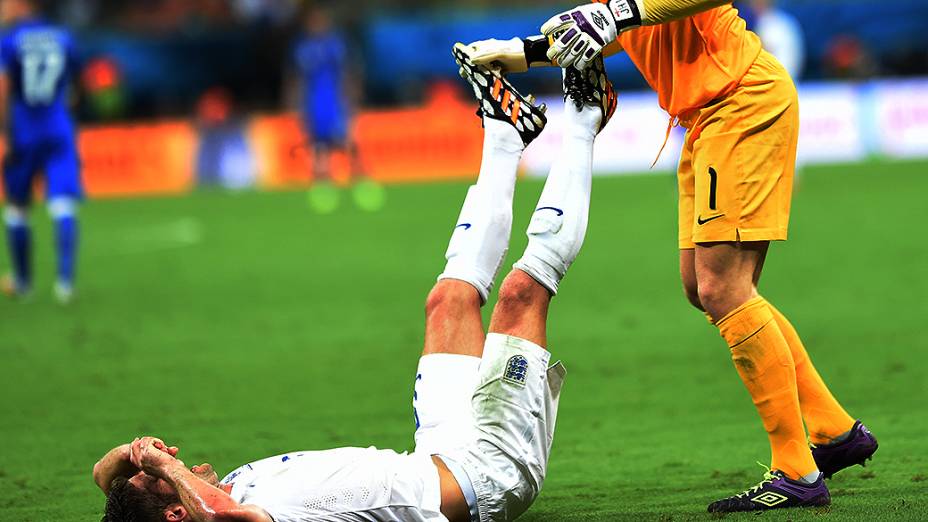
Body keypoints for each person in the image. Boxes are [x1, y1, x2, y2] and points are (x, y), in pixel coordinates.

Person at [92, 49, 615, 522]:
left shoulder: (224, 490)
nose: (174, 462)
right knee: (520, 293)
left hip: (438, 450)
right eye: (161, 479)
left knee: (447, 301)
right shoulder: (235, 515)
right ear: (176, 515)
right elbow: (221, 517)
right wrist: (161, 466)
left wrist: (131, 457)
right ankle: (586, 115)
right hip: (490, 477)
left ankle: (506, 133)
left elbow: (103, 478)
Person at [459, 0, 877, 512]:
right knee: (702, 287)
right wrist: (522, 52)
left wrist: (619, 13)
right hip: (705, 117)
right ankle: (833, 432)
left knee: (726, 288)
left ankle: (796, 468)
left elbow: (629, 17)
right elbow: (613, 32)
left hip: (741, 100)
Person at [0, 0, 81, 303]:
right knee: (62, 204)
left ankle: (23, 283)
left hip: (23, 130)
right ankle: (65, 284)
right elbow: (74, 86)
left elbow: (3, 88)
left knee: (17, 207)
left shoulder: (8, 41)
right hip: (59, 127)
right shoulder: (64, 37)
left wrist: (3, 133)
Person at [292, 5, 379, 213]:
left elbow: (350, 71)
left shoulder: (336, 44)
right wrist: (296, 105)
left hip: (336, 101)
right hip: (314, 103)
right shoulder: (302, 48)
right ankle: (324, 191)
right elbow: (296, 79)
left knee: (348, 143)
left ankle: (361, 184)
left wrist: (353, 98)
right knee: (319, 148)